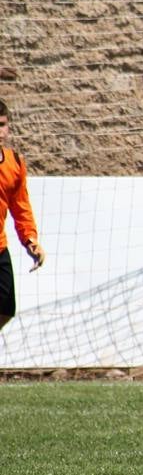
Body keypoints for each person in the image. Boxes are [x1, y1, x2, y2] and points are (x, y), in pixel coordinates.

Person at [0, 100, 45, 331]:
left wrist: (30, 240)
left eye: (2, 125)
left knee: (6, 310)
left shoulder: (14, 163)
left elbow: (20, 206)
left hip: (0, 247)